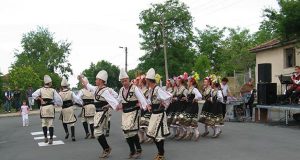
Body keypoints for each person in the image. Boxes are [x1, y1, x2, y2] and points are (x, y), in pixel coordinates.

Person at [78, 70, 119, 159]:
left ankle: (106, 149)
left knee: (97, 132)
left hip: (102, 112)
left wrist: (109, 106)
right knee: (97, 132)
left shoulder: (105, 91)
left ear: (101, 80)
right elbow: (87, 85)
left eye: (97, 79)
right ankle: (106, 148)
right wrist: (81, 77)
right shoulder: (96, 89)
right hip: (97, 112)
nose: (95, 80)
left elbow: (114, 101)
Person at [118, 69, 149, 159]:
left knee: (131, 131)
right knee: (125, 132)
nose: (124, 83)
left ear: (128, 79)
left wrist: (145, 105)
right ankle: (132, 150)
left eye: (125, 80)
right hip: (125, 112)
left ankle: (138, 149)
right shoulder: (121, 90)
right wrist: (113, 105)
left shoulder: (134, 88)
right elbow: (118, 100)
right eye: (122, 81)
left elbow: (141, 97)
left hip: (133, 111)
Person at [145, 68, 172, 160]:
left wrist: (164, 106)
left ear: (149, 80)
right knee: (153, 135)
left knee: (158, 135)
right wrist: (148, 105)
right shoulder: (151, 90)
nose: (145, 81)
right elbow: (149, 100)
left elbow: (169, 96)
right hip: (154, 114)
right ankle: (160, 153)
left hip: (159, 114)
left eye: (146, 80)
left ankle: (161, 154)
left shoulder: (157, 89)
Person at [32, 75, 63, 145]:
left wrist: (41, 99)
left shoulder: (40, 89)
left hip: (43, 108)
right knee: (50, 124)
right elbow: (59, 99)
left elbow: (33, 95)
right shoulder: (53, 90)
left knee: (44, 123)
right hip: (50, 108)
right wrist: (58, 104)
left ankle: (45, 137)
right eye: (51, 82)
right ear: (49, 83)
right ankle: (51, 138)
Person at [59, 77, 83, 142]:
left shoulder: (60, 93)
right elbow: (76, 99)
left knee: (63, 121)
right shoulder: (71, 92)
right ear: (67, 86)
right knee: (72, 122)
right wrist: (81, 103)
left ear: (62, 86)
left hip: (64, 108)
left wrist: (59, 104)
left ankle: (66, 132)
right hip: (70, 108)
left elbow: (58, 101)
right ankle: (73, 136)